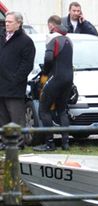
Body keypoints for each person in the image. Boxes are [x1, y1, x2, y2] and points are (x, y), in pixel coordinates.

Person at [33, 15, 74, 152]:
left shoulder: (52, 38)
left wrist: (45, 72)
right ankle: (65, 143)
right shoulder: (69, 39)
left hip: (55, 77)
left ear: (51, 25)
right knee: (62, 110)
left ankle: (49, 143)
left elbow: (49, 58)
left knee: (43, 109)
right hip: (69, 78)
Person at [0, 11, 36, 150]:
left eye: (10, 22)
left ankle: (19, 143)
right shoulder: (1, 37)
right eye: (6, 21)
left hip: (15, 87)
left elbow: (27, 65)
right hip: (1, 84)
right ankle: (4, 141)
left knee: (16, 117)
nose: (6, 23)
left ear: (18, 23)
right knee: (2, 117)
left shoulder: (25, 41)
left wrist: (15, 79)